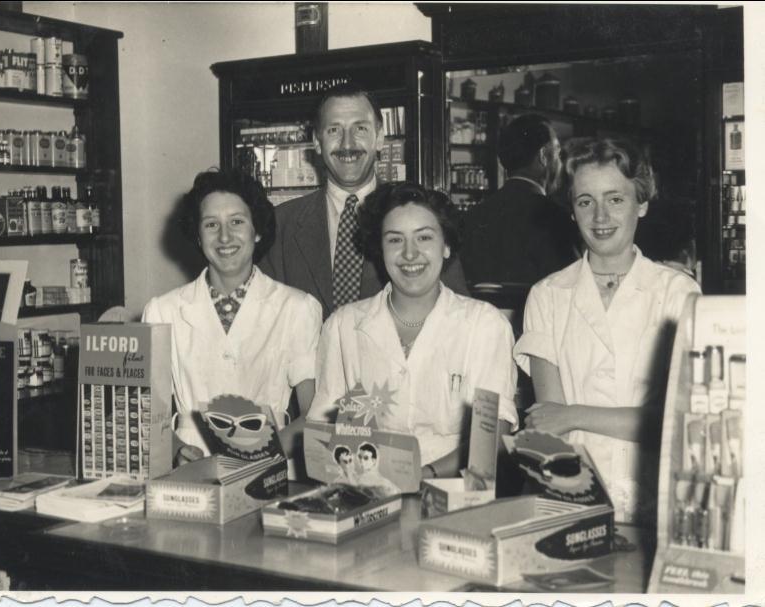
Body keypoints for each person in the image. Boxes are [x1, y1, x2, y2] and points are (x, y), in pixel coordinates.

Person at [513, 138, 701, 524]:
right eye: (585, 201)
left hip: (657, 503)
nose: (600, 217)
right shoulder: (547, 296)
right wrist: (567, 420)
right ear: (572, 210)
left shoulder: (678, 293)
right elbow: (551, 423)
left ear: (642, 203)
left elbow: (674, 420)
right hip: (574, 498)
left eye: (615, 199)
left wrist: (575, 414)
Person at [308, 182, 518, 478]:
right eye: (395, 240)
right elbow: (324, 427)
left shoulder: (484, 325)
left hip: (455, 495)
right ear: (379, 250)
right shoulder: (343, 327)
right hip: (367, 494)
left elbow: (493, 436)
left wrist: (426, 474)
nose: (410, 254)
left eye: (424, 238)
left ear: (446, 246)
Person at [142, 170, 322, 465]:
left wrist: (266, 453)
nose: (224, 236)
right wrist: (177, 450)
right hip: (192, 468)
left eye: (237, 222)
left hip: (271, 467)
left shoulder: (298, 308)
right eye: (211, 224)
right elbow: (149, 412)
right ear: (198, 236)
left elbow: (314, 413)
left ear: (258, 230)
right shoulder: (162, 310)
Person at [260, 82, 468, 320]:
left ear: (379, 138)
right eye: (334, 130)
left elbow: (458, 314)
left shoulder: (424, 219)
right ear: (317, 142)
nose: (347, 144)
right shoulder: (282, 224)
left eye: (360, 129)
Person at [461, 113, 579, 287]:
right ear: (543, 156)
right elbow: (572, 284)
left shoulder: (474, 215)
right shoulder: (554, 217)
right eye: (558, 154)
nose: (561, 165)